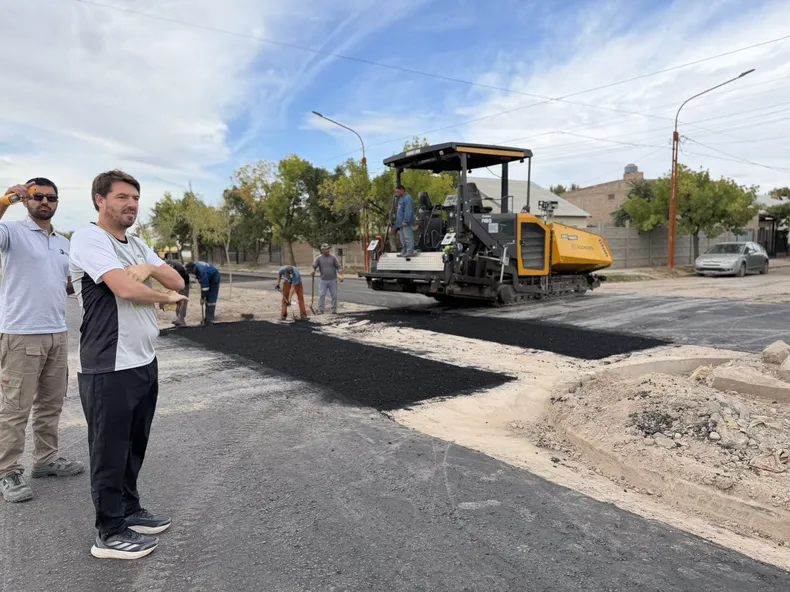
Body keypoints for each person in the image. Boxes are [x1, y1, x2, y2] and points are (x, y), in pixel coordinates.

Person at [69, 170, 187, 560]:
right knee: (109, 449)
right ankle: (108, 531)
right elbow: (123, 287)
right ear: (100, 200)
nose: (131, 205)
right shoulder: (90, 239)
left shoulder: (136, 244)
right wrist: (164, 297)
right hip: (109, 364)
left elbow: (178, 280)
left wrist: (153, 270)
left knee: (134, 444)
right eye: (121, 197)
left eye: (135, 198)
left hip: (143, 360)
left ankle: (130, 510)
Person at [0, 178, 84, 503]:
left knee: (51, 402)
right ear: (27, 200)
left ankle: (46, 460)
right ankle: (7, 471)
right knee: (15, 406)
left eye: (51, 197)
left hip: (56, 333)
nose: (44, 201)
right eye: (37, 196)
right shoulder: (13, 233)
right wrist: (6, 199)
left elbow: (63, 284)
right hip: (21, 333)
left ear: (57, 202)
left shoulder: (63, 242)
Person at [311, 244, 344, 314]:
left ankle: (334, 310)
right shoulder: (318, 258)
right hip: (323, 280)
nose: (327, 250)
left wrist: (340, 273)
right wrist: (312, 270)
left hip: (333, 280)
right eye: (326, 249)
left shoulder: (333, 258)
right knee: (322, 295)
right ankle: (320, 310)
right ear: (322, 250)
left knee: (334, 295)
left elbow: (338, 266)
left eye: (328, 249)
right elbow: (313, 266)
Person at [395, 184, 416, 257]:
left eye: (398, 192)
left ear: (402, 190)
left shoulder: (407, 198)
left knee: (408, 237)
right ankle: (404, 251)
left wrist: (405, 221)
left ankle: (410, 251)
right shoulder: (401, 198)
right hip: (401, 223)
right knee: (402, 239)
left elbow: (408, 210)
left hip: (406, 223)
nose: (396, 193)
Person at [169, 261, 190, 326]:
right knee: (177, 301)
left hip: (184, 284)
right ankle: (178, 318)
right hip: (177, 283)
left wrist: (177, 291)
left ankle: (181, 320)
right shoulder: (168, 267)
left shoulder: (179, 269)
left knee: (182, 301)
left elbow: (179, 282)